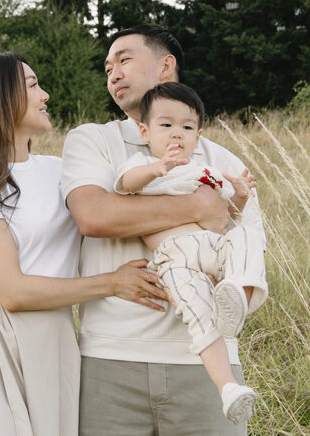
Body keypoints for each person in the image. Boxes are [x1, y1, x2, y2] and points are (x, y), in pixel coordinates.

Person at [0, 51, 167, 436]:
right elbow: (13, 292)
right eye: (33, 85)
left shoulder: (61, 171)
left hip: (54, 336)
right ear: (0, 97)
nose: (46, 94)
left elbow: (125, 202)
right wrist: (112, 283)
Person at [62, 25, 268, 435]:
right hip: (110, 358)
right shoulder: (93, 140)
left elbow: (247, 242)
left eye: (124, 59)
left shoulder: (219, 156)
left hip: (205, 362)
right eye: (107, 68)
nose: (113, 74)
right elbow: (95, 217)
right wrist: (196, 205)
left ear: (165, 66)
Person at [114, 81, 266, 424]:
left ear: (198, 137)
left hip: (213, 248)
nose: (176, 135)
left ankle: (236, 295)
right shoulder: (138, 165)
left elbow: (230, 215)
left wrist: (240, 194)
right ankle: (228, 388)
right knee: (199, 319)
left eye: (186, 127)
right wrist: (156, 168)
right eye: (165, 126)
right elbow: (126, 184)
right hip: (175, 259)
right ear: (144, 131)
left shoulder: (205, 171)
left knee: (247, 238)